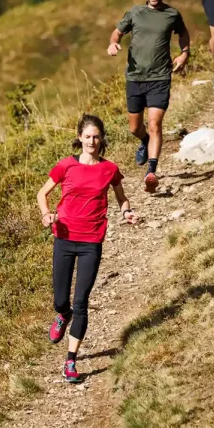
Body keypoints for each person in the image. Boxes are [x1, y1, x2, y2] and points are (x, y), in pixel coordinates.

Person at [36, 113, 139, 383]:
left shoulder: (110, 169)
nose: (92, 141)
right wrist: (46, 214)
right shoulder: (66, 166)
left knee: (81, 302)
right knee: (61, 300)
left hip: (92, 241)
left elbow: (121, 197)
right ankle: (63, 314)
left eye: (96, 136)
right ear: (79, 137)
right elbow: (42, 193)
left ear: (101, 138)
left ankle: (70, 361)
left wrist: (126, 212)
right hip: (64, 237)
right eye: (87, 136)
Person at [107, 0, 190, 194]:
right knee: (135, 128)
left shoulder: (172, 14)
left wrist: (184, 53)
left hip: (160, 77)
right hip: (135, 77)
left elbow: (183, 33)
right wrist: (113, 44)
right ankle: (144, 141)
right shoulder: (135, 12)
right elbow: (117, 32)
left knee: (155, 124)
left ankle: (151, 171)